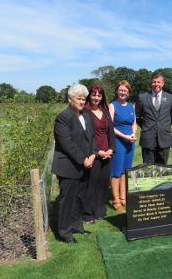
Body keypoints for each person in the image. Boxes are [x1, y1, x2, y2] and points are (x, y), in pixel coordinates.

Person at [52, 84, 98, 243]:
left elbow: (92, 138)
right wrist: (83, 159)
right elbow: (68, 144)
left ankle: (77, 226)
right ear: (70, 99)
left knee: (79, 199)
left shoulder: (86, 115)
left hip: (85, 166)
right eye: (78, 98)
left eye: (83, 98)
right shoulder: (63, 117)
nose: (81, 101)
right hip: (68, 167)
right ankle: (64, 233)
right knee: (68, 200)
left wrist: (93, 154)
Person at [82, 85, 115, 223]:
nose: (96, 98)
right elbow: (85, 136)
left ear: (102, 97)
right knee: (91, 184)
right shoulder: (85, 113)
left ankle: (100, 211)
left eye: (99, 95)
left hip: (107, 154)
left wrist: (111, 149)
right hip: (94, 153)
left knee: (103, 184)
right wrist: (98, 152)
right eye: (94, 95)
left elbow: (111, 132)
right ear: (89, 96)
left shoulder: (106, 112)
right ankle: (87, 213)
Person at [135, 72, 172, 164]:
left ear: (163, 83)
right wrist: (146, 125)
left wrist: (163, 126)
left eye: (158, 82)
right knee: (148, 168)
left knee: (163, 168)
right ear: (150, 83)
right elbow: (137, 116)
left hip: (164, 137)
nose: (156, 84)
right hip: (148, 137)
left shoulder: (170, 98)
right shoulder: (142, 97)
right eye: (154, 82)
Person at [108, 80, 137, 212]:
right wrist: (125, 137)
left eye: (125, 90)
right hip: (118, 141)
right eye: (120, 90)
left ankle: (124, 198)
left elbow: (134, 124)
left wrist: (133, 134)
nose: (123, 92)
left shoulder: (132, 106)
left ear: (129, 92)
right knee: (116, 172)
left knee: (126, 171)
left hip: (130, 142)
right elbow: (110, 126)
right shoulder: (112, 105)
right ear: (116, 91)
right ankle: (115, 201)